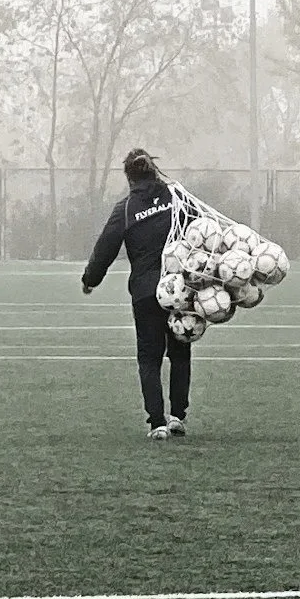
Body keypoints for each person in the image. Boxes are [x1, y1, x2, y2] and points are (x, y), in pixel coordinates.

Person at [81, 147, 191, 438]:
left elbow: (105, 247)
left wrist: (90, 279)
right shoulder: (177, 198)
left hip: (146, 292)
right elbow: (202, 229)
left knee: (149, 358)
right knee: (180, 351)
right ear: (154, 171)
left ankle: (157, 423)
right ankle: (178, 416)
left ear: (129, 178)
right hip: (179, 289)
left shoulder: (127, 209)